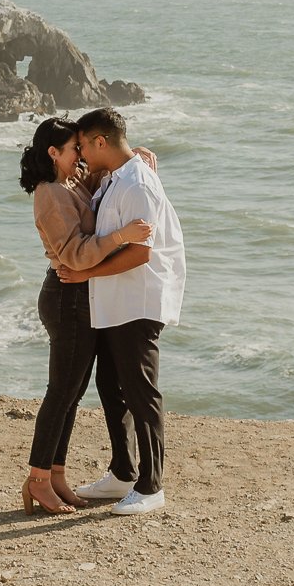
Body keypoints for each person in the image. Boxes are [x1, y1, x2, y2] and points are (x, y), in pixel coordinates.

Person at [16, 117, 154, 515]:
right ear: (53, 153)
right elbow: (74, 253)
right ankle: (38, 480)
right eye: (75, 148)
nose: (81, 154)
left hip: (83, 295)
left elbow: (104, 185)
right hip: (66, 296)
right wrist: (121, 237)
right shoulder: (50, 194)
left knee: (72, 393)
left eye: (82, 147)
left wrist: (135, 158)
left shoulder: (73, 181)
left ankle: (55, 474)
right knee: (61, 392)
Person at [72, 106, 184, 517]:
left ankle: (152, 486)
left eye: (84, 145)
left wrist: (85, 273)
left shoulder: (138, 183)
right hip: (116, 300)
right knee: (110, 386)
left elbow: (140, 253)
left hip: (138, 300)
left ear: (101, 142)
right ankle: (122, 472)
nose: (81, 153)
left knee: (141, 391)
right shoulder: (115, 177)